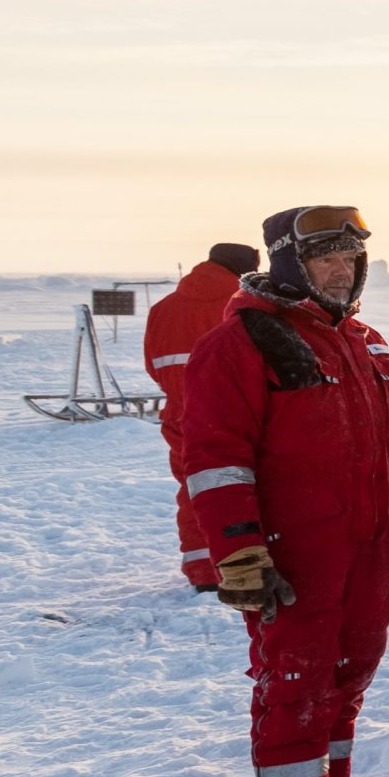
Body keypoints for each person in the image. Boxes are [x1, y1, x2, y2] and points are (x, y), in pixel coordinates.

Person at [180, 206, 389, 777]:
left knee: (349, 673)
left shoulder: (363, 343)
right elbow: (214, 461)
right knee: (296, 679)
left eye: (350, 257)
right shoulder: (243, 342)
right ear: (291, 263)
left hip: (367, 547)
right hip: (292, 553)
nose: (342, 268)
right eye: (326, 257)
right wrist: (240, 555)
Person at [144, 242, 260, 589]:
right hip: (237, 413)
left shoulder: (163, 309)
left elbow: (154, 366)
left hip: (181, 415)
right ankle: (245, 566)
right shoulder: (245, 307)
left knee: (194, 488)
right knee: (242, 490)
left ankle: (203, 570)